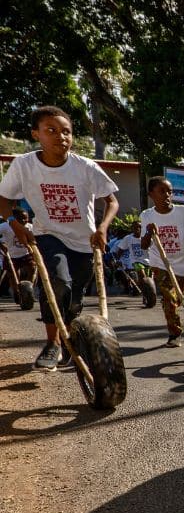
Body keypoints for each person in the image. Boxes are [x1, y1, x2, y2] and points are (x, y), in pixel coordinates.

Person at [0, 106, 119, 369]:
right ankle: (52, 344)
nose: (60, 137)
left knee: (74, 298)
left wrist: (103, 228)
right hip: (48, 235)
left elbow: (111, 201)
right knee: (58, 283)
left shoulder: (85, 166)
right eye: (51, 131)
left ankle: (69, 341)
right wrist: (16, 225)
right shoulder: (24, 165)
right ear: (36, 134)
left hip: (85, 242)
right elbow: (4, 200)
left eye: (66, 132)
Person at [139, 176, 184, 347]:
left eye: (170, 191)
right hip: (160, 263)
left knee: (177, 299)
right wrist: (148, 232)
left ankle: (177, 318)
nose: (167, 195)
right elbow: (144, 245)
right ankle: (175, 333)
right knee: (169, 298)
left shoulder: (183, 212)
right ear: (151, 194)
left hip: (183, 264)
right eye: (162, 191)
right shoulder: (147, 215)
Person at [0, 208, 35, 290]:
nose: (23, 220)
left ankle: (29, 289)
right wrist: (1, 245)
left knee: (33, 268)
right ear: (13, 218)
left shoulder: (30, 227)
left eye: (25, 218)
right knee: (13, 275)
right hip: (11, 255)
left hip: (26, 254)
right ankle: (17, 291)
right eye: (20, 218)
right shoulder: (6, 226)